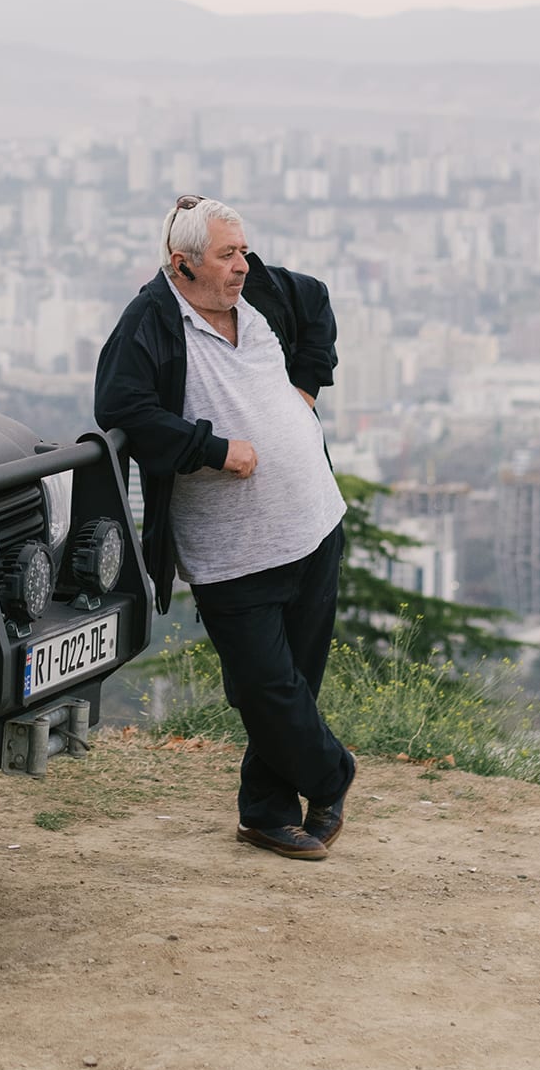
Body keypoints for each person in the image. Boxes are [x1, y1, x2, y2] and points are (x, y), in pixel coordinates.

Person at [94, 194, 355, 861]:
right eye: (226, 255)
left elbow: (317, 300)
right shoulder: (152, 321)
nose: (243, 265)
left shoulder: (260, 290)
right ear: (182, 264)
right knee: (266, 689)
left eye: (243, 250)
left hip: (314, 523)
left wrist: (307, 387)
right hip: (232, 552)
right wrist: (213, 449)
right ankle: (333, 775)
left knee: (296, 682)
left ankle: (266, 814)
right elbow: (122, 408)